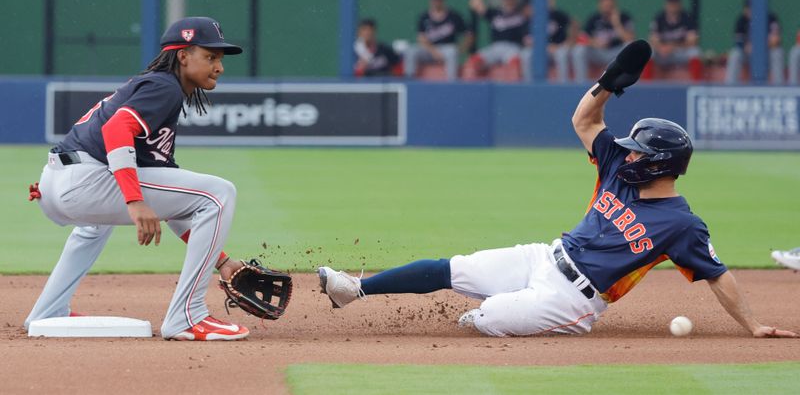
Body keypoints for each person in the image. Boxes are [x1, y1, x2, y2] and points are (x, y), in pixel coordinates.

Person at [317, 43, 796, 339]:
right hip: (545, 257)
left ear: (659, 164)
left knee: (484, 318)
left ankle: (501, 315)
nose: (625, 153)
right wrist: (608, 84)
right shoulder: (617, 168)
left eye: (636, 152)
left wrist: (752, 325)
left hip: (573, 302)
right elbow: (585, 119)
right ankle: (354, 289)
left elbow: (718, 274)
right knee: (452, 269)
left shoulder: (682, 225)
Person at [25, 17, 251, 341]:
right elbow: (116, 129)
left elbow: (175, 205)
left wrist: (223, 262)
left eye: (220, 60)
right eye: (210, 57)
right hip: (84, 180)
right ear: (184, 55)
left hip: (55, 183)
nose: (219, 67)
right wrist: (134, 200)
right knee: (220, 193)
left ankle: (47, 312)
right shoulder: (165, 87)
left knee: (96, 225)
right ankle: (188, 316)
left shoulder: (157, 90)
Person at [465, 0, 528, 79]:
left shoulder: (521, 12)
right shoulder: (495, 13)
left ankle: (513, 92)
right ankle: (471, 92)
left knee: (515, 64)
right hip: (495, 47)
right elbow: (474, 3)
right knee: (472, 62)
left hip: (513, 48)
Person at [404, 0, 471, 81]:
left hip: (446, 49)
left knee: (452, 52)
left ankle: (452, 82)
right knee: (411, 51)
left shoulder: (454, 16)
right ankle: (409, 80)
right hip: (429, 50)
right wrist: (434, 51)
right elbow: (421, 39)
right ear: (430, 0)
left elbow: (469, 35)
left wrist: (460, 50)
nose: (436, 1)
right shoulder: (424, 16)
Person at [572, 0, 635, 82]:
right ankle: (581, 83)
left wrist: (616, 23)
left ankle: (626, 83)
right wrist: (594, 42)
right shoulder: (594, 18)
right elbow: (582, 38)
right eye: (604, 2)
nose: (607, 5)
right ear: (599, 4)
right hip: (598, 53)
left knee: (629, 46)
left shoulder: (624, 17)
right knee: (579, 50)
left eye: (609, 3)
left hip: (616, 54)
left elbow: (630, 39)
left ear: (614, 3)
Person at [725, 0, 784, 85]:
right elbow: (738, 40)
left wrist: (761, 46)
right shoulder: (742, 20)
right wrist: (745, 46)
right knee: (735, 54)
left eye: (751, 8)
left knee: (777, 53)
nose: (749, 11)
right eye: (747, 8)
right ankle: (729, 88)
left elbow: (776, 40)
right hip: (748, 54)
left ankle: (779, 89)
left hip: (767, 53)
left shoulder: (771, 18)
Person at [519, 0, 573, 82]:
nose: (549, 2)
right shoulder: (534, 17)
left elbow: (574, 24)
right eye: (547, 0)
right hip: (540, 50)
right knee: (525, 54)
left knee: (561, 55)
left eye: (551, 0)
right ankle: (528, 85)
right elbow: (527, 41)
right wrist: (544, 47)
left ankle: (563, 85)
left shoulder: (558, 15)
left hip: (557, 48)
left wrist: (568, 42)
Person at [649, 0, 701, 75]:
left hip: (680, 52)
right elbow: (653, 39)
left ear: (680, 4)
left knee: (694, 52)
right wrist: (661, 47)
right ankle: (647, 85)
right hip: (663, 53)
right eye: (670, 3)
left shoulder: (688, 17)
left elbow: (693, 41)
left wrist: (673, 46)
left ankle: (696, 84)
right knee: (649, 52)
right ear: (666, 4)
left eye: (675, 3)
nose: (672, 5)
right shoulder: (659, 18)